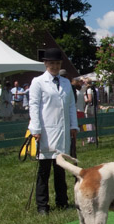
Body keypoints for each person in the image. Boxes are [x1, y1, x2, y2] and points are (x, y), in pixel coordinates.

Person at [28, 48, 79, 215]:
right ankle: (42, 205)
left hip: (63, 131)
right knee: (44, 170)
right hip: (45, 132)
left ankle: (62, 201)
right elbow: (34, 106)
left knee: (61, 168)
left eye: (57, 63)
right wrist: (35, 129)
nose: (54, 66)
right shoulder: (38, 82)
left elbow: (71, 106)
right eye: (51, 63)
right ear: (45, 64)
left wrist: (73, 125)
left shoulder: (65, 83)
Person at [83, 78, 97, 144]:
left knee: (89, 123)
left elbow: (90, 99)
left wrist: (85, 99)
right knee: (92, 123)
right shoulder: (93, 89)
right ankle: (93, 138)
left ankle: (91, 138)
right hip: (94, 107)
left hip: (90, 107)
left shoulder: (88, 90)